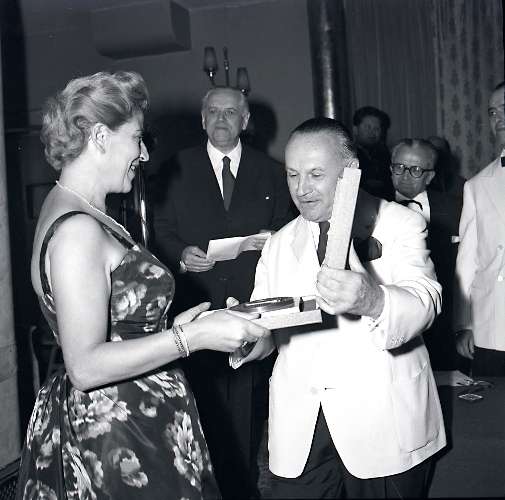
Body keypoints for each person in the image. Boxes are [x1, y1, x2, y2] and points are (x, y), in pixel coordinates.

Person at [16, 71, 270, 500]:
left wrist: (179, 326)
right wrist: (191, 338)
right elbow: (85, 367)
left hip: (133, 414)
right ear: (100, 137)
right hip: (122, 433)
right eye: (136, 138)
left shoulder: (84, 211)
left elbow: (114, 322)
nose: (144, 154)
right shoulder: (77, 229)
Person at [240, 118, 446, 499]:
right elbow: (268, 332)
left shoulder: (401, 223)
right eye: (292, 175)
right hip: (300, 431)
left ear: (350, 171)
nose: (302, 189)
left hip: (383, 423)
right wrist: (248, 338)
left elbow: (426, 301)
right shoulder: (277, 244)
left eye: (316, 175)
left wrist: (372, 299)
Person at [152, 86, 294, 498]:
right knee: (202, 407)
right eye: (213, 111)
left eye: (230, 112)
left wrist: (272, 239)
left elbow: (288, 227)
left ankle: (244, 487)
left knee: (247, 409)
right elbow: (160, 229)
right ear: (202, 120)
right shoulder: (176, 168)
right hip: (197, 306)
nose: (220, 119)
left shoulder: (271, 171)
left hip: (252, 304)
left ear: (245, 121)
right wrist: (181, 254)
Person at [390, 138, 462, 369]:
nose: (405, 175)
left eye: (416, 170)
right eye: (399, 167)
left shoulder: (455, 209)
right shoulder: (372, 205)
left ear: (430, 176)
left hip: (443, 321)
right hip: (393, 319)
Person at [453, 81, 505, 376]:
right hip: (492, 325)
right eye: (492, 112)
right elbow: (467, 262)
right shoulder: (476, 186)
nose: (498, 118)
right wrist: (465, 324)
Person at [353, 105, 394, 200]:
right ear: (355, 130)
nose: (372, 133)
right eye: (368, 127)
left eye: (376, 128)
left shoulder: (386, 155)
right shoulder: (347, 155)